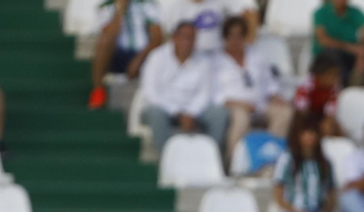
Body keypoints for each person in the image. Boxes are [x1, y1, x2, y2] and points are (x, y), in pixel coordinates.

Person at [139, 20, 227, 152]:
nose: (187, 41)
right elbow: (151, 92)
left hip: (194, 110)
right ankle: (165, 159)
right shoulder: (156, 57)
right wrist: (177, 112)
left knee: (219, 114)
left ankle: (210, 156)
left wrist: (191, 112)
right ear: (174, 38)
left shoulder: (203, 61)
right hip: (164, 108)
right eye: (184, 36)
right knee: (155, 113)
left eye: (191, 38)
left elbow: (205, 92)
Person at [215, 15, 293, 161]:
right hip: (233, 106)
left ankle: (270, 158)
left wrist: (278, 99)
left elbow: (270, 84)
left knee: (284, 113)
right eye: (231, 36)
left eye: (239, 36)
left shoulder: (256, 57)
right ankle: (236, 162)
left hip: (260, 105)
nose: (235, 41)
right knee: (241, 118)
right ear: (225, 38)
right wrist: (241, 104)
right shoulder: (216, 61)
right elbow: (216, 95)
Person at [272, 118, 352, 212]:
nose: (309, 137)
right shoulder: (287, 159)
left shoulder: (325, 163)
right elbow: (278, 196)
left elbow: (332, 195)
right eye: (306, 133)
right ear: (299, 136)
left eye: (313, 133)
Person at [89, 0, 163, 111]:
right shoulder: (105, 7)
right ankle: (98, 91)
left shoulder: (146, 4)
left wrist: (138, 59)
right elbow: (110, 33)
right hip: (117, 56)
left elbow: (157, 37)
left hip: (143, 55)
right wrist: (120, 10)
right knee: (104, 41)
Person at [312, 0, 364, 86]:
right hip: (327, 56)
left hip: (351, 54)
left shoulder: (356, 13)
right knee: (333, 57)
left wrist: (362, 53)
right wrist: (350, 48)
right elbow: (323, 40)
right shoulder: (321, 13)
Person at [164, 0, 255, 53]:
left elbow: (250, 13)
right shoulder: (174, 6)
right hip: (191, 61)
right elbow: (168, 38)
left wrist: (246, 48)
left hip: (220, 58)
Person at [291, 52, 342, 136]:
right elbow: (301, 109)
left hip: (321, 117)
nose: (335, 79)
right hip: (305, 117)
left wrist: (328, 121)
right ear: (319, 74)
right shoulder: (306, 83)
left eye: (336, 75)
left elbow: (330, 111)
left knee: (335, 128)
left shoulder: (334, 88)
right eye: (331, 75)